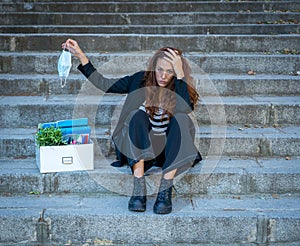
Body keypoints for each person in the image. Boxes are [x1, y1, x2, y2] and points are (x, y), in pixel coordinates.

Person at [62, 39, 202, 214]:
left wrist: (180, 74)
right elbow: (105, 84)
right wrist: (81, 55)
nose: (163, 76)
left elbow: (186, 107)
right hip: (140, 145)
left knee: (182, 119)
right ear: (153, 67)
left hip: (168, 149)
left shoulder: (180, 86)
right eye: (160, 69)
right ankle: (138, 188)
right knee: (136, 115)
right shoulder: (139, 80)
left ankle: (165, 190)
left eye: (170, 71)